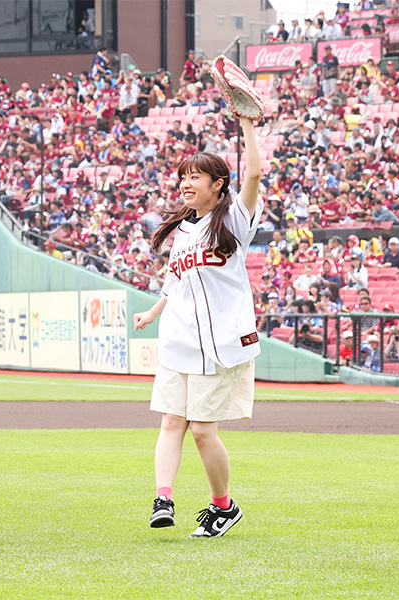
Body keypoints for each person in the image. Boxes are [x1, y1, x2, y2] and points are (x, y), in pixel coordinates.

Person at [133, 116, 262, 538]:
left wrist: (246, 123)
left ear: (218, 184)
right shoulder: (184, 232)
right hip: (179, 341)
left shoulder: (235, 220)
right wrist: (152, 314)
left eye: (196, 177)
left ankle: (223, 506)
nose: (186, 184)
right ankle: (163, 498)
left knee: (204, 433)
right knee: (171, 423)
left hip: (222, 343)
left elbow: (256, 172)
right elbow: (174, 283)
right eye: (183, 177)